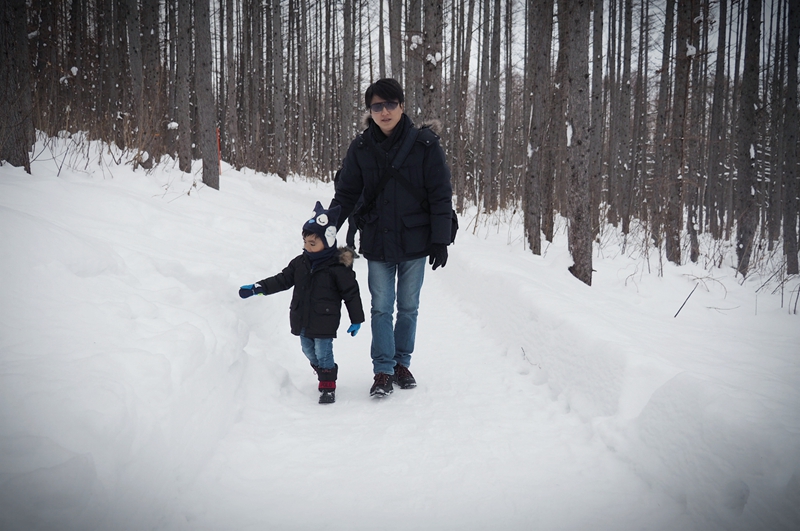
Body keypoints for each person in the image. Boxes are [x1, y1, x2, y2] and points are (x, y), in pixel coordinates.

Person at [329, 78, 453, 398]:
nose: (384, 112)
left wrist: (440, 240)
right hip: (377, 240)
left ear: (402, 105)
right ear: (370, 110)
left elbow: (440, 195)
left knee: (409, 306)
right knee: (382, 307)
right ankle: (383, 370)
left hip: (415, 241)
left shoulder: (425, 145)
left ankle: (401, 363)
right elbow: (346, 194)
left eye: (390, 104)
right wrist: (328, 226)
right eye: (377, 106)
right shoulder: (361, 147)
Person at [238, 201, 365, 404]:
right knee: (307, 350)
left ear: (328, 242)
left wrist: (357, 319)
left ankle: (327, 386)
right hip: (302, 317)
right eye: (305, 242)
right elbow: (282, 279)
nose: (307, 247)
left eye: (312, 243)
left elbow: (352, 294)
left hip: (324, 319)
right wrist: (258, 288)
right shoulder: (301, 262)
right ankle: (325, 372)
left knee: (323, 354)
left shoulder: (338, 268)